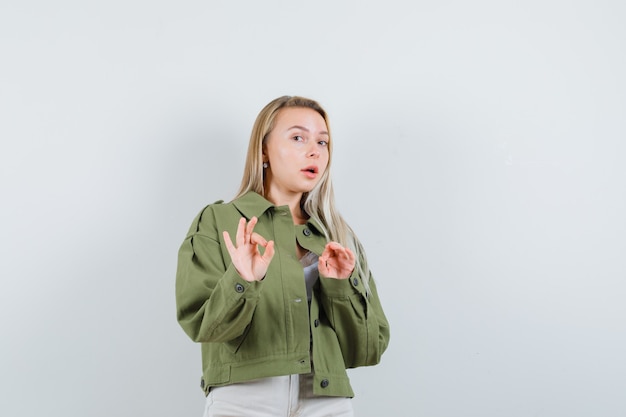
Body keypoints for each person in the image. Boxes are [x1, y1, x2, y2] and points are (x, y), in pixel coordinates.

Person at [176, 95, 390, 417]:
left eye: (323, 141)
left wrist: (340, 288)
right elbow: (203, 326)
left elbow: (367, 350)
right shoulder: (219, 221)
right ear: (263, 150)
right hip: (243, 398)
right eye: (298, 137)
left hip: (326, 400)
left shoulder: (337, 236)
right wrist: (243, 280)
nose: (314, 150)